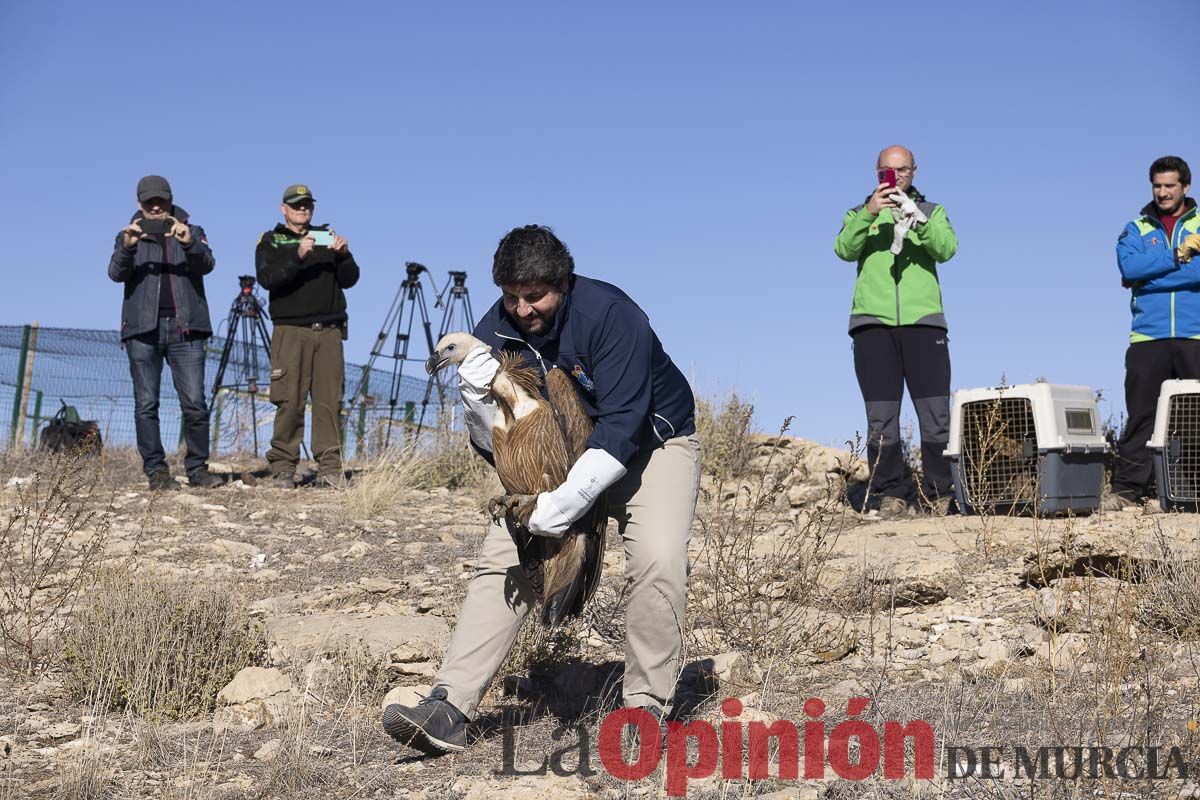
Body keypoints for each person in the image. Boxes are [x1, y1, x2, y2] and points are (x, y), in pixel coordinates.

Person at [383, 225, 701, 755]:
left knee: (659, 559)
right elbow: (497, 447)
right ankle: (449, 707)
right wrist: (479, 401)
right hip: (558, 456)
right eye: (512, 297)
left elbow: (622, 423)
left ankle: (646, 709)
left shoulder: (610, 315)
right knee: (505, 551)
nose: (523, 309)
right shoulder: (497, 334)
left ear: (565, 283)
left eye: (536, 296)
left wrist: (566, 504)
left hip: (653, 445)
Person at [834, 145, 959, 517]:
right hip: (872, 326)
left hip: (924, 325)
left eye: (902, 170)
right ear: (877, 174)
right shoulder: (859, 212)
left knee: (936, 413)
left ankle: (939, 493)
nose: (895, 177)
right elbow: (842, 248)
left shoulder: (933, 212)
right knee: (881, 417)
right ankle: (890, 494)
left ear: (914, 172)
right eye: (887, 171)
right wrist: (871, 213)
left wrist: (916, 219)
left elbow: (947, 249)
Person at [108, 175, 222, 491]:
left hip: (187, 329)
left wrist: (188, 242)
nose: (156, 207)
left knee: (195, 402)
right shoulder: (127, 236)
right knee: (146, 404)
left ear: (170, 200)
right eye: (149, 202)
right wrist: (129, 247)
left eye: (161, 200)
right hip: (143, 330)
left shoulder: (193, 231)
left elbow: (207, 264)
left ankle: (197, 469)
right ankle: (157, 472)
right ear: (139, 204)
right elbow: (115, 273)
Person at [1108, 156, 1200, 509]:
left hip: (1194, 336)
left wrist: (1151, 274)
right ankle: (1128, 492)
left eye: (1170, 186)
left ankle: (1190, 493)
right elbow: (1129, 267)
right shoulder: (1136, 229)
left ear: (1185, 187)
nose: (1163, 192)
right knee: (1141, 415)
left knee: (1195, 417)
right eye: (1157, 186)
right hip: (1148, 337)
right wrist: (1180, 255)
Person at [254, 184, 359, 488]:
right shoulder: (272, 241)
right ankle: (283, 468)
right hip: (290, 331)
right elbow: (268, 278)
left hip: (328, 331)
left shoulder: (326, 237)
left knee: (329, 401)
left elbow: (350, 279)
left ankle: (329, 469)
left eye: (307, 205)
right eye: (297, 205)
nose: (303, 209)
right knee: (289, 399)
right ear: (283, 208)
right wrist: (297, 256)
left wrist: (344, 255)